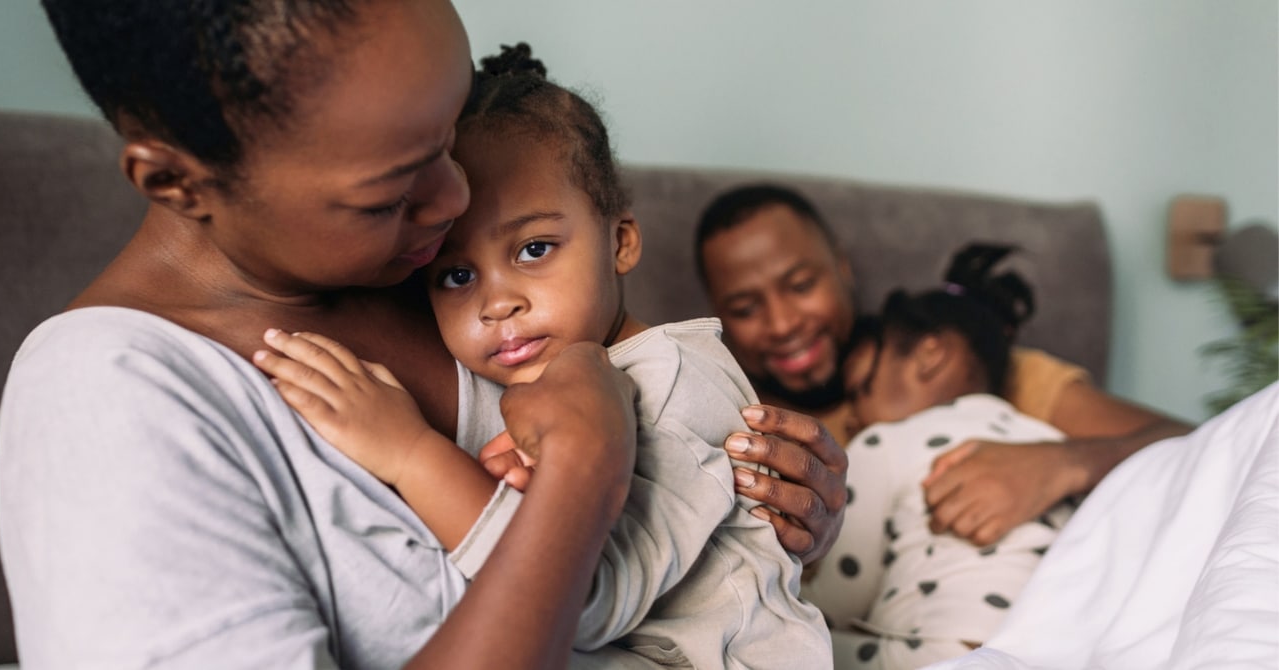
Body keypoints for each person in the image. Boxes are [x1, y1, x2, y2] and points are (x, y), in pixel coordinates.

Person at [0, 3, 846, 668]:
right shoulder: (109, 397)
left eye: (447, 137)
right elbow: (591, 560)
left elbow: (694, 567)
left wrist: (780, 516)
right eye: (391, 189)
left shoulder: (430, 273)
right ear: (176, 179)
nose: (451, 207)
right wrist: (586, 469)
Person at [257, 44, 835, 669]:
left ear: (620, 242)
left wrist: (408, 452)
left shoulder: (675, 380)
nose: (497, 303)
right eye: (455, 276)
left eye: (534, 249)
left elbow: (580, 593)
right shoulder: (538, 381)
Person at [694, 183, 1192, 551]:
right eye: (744, 308)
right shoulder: (735, 429)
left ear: (842, 269)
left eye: (802, 285)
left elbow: (1195, 446)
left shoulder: (969, 371)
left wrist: (1061, 463)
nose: (782, 324)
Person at [817, 244, 1075, 670]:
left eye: (862, 387)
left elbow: (841, 597)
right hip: (1053, 655)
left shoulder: (885, 441)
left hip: (943, 656)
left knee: (773, 636)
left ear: (930, 354)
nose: (853, 418)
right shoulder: (1048, 441)